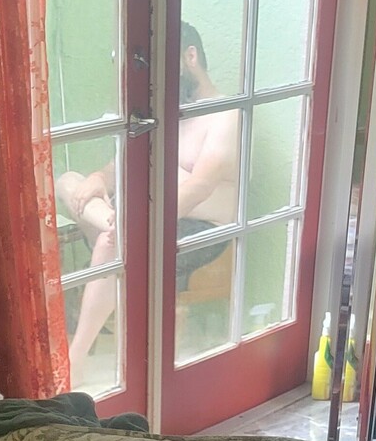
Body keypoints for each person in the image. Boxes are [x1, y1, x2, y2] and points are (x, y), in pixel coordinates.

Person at [56, 22, 240, 373]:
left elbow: (199, 186)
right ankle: (114, 225)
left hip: (198, 225)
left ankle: (74, 360)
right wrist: (99, 179)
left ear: (190, 57)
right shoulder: (168, 108)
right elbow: (122, 166)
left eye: (162, 71)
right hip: (143, 209)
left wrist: (141, 220)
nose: (156, 83)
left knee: (113, 244)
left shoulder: (226, 114)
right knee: (69, 181)